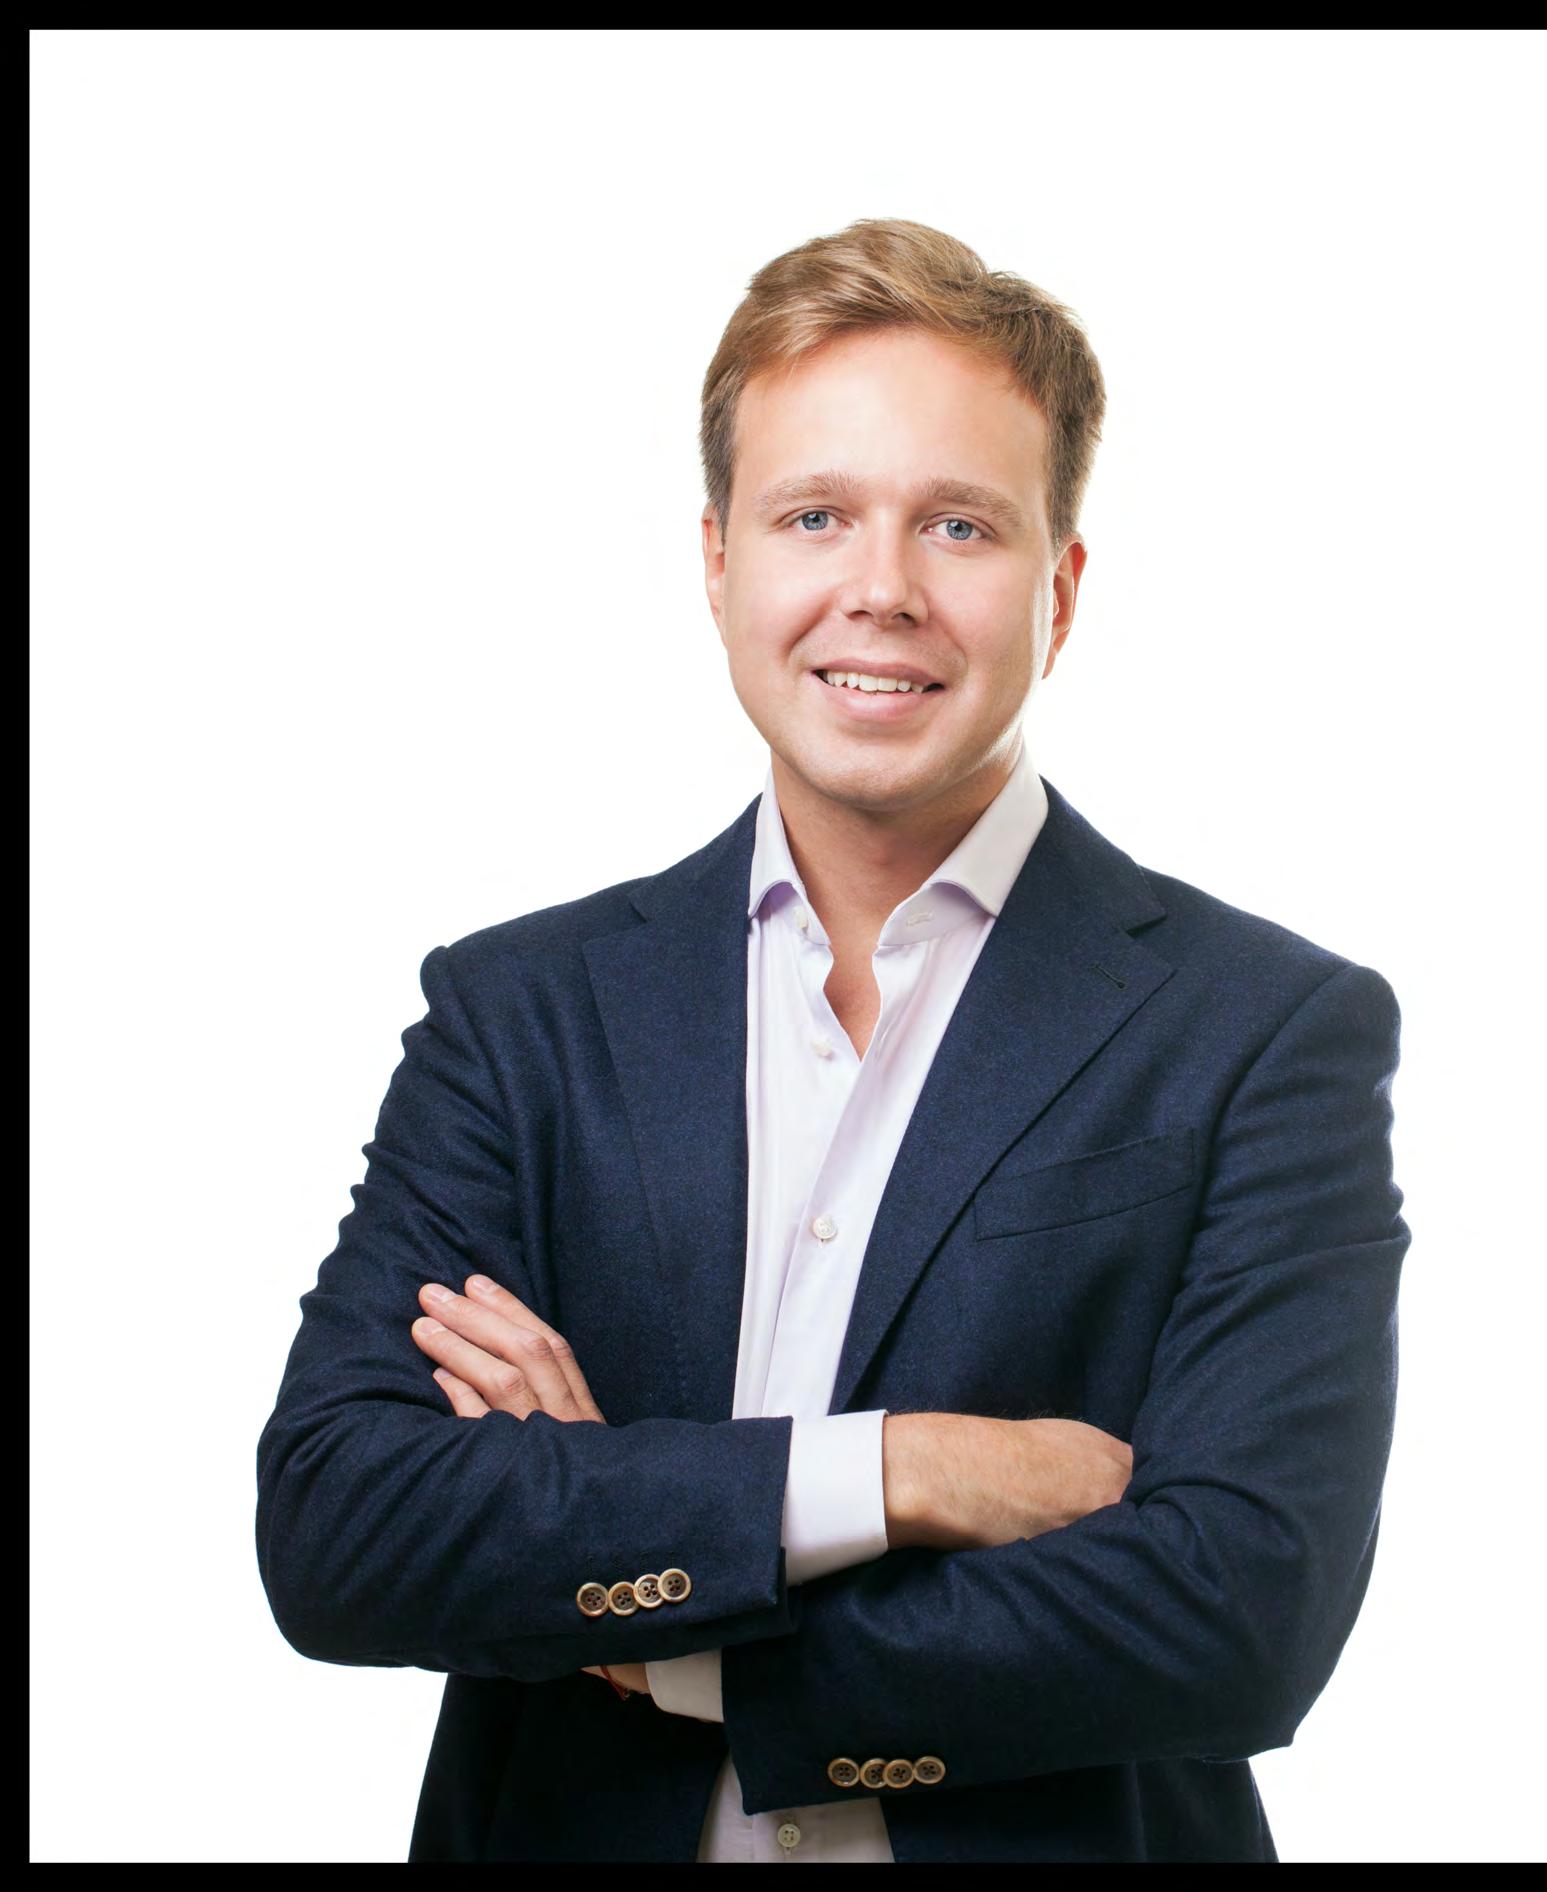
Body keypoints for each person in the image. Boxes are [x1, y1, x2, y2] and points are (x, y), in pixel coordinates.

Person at [255, 217, 1410, 1864]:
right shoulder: (521, 1017)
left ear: (1062, 588)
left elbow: (1237, 1613)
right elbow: (340, 1527)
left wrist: (653, 1614)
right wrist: (902, 1473)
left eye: (959, 524)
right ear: (717, 561)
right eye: (816, 516)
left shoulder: (1263, 1033)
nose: (882, 589)